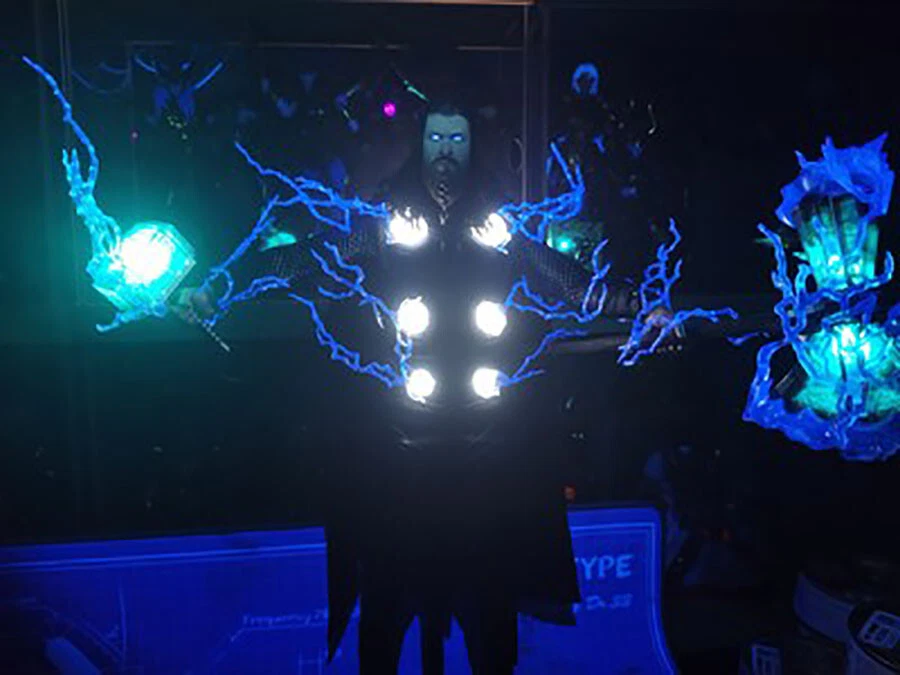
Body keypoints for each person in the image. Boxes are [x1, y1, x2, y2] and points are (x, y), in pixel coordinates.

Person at [175, 100, 659, 674]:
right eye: (436, 138)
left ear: (473, 148)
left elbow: (571, 281)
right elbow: (306, 258)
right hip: (400, 457)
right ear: (419, 147)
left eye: (457, 138)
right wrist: (221, 285)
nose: (446, 150)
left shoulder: (499, 231)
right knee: (385, 615)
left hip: (486, 457)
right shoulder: (384, 228)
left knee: (489, 620)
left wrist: (641, 304)